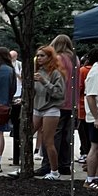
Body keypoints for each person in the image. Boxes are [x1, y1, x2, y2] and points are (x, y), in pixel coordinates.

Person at [32, 45, 66, 180]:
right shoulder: (36, 71)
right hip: (37, 107)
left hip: (51, 108)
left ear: (49, 57)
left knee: (48, 141)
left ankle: (54, 171)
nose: (39, 58)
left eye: (42, 55)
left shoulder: (56, 73)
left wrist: (44, 81)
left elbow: (59, 93)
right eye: (38, 55)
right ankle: (25, 167)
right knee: (27, 136)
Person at [50, 33, 79, 176]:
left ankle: (52, 164)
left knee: (55, 134)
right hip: (72, 102)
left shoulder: (58, 59)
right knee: (68, 135)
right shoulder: (76, 59)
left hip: (59, 102)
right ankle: (65, 164)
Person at [82, 45, 98, 190]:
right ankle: (90, 179)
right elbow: (90, 96)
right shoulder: (96, 73)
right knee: (96, 147)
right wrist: (96, 117)